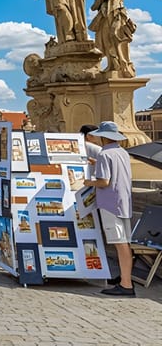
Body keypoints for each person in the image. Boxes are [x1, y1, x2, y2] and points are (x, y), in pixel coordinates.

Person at [82, 122, 135, 297]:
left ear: (103, 137)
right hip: (124, 201)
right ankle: (125, 278)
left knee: (120, 243)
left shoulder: (105, 154)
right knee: (125, 242)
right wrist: (97, 162)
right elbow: (116, 169)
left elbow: (104, 182)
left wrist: (89, 182)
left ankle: (126, 285)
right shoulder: (122, 152)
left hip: (110, 203)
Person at [88, 0, 136, 77]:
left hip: (115, 19)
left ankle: (121, 65)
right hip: (105, 22)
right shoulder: (101, 0)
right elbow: (93, 7)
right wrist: (101, 1)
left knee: (115, 39)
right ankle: (112, 65)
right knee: (107, 42)